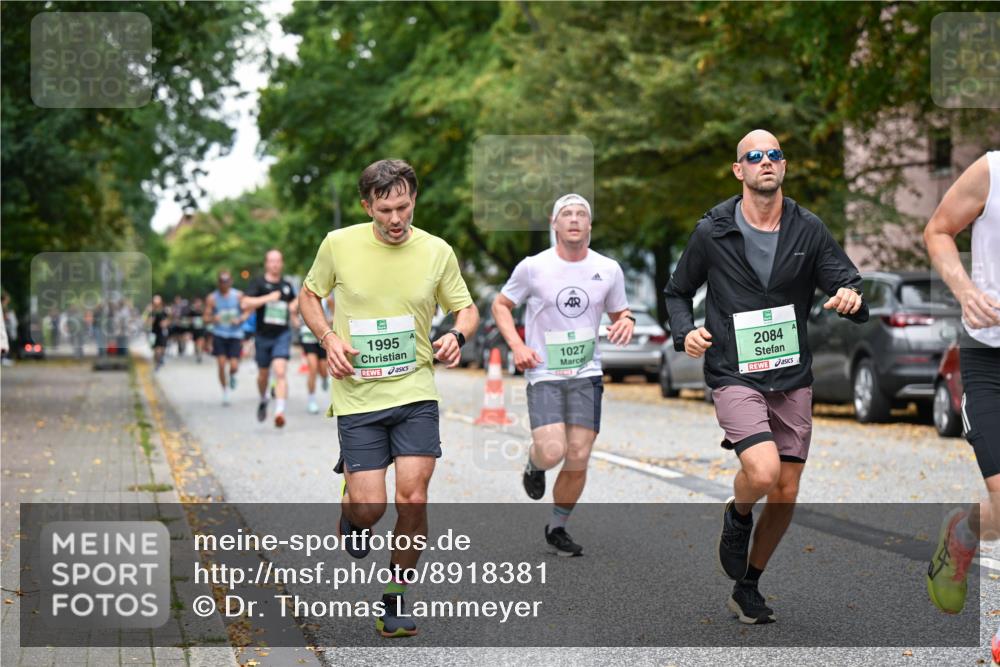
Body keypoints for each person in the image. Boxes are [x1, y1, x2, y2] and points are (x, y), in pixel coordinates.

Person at [664, 129, 869, 625]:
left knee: (786, 489)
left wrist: (851, 298)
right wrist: (685, 333)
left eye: (774, 154)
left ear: (784, 166)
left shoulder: (808, 228)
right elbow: (677, 291)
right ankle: (737, 515)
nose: (765, 162)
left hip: (791, 375)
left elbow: (849, 282)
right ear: (740, 171)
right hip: (735, 371)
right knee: (762, 472)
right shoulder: (713, 231)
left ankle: (748, 585)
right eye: (754, 157)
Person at [299, 158, 478, 638]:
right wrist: (328, 339)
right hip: (358, 396)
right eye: (385, 209)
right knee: (370, 508)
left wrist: (457, 336)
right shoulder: (338, 244)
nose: (396, 219)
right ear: (367, 206)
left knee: (413, 498)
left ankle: (394, 600)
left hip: (415, 390)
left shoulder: (437, 251)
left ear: (414, 199)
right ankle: (351, 509)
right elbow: (309, 296)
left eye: (403, 206)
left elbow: (466, 308)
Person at [492, 193, 634, 557]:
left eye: (581, 214)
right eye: (566, 214)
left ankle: (558, 527)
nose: (574, 219)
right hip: (544, 372)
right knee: (553, 449)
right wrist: (518, 346)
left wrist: (627, 323)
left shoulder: (609, 268)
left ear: (589, 225)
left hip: (587, 372)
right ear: (554, 224)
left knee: (578, 453)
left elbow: (622, 312)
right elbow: (502, 305)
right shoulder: (533, 267)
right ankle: (535, 461)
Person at [923, 151, 1000, 654]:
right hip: (990, 359)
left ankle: (966, 530)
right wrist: (964, 287)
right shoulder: (992, 170)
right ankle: (964, 531)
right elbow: (939, 230)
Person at [241, 250, 298, 428]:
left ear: (281, 264)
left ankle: (279, 412)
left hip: (282, 334)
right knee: (263, 375)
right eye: (271, 261)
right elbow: (245, 303)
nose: (274, 264)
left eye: (278, 261)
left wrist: (292, 309)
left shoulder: (287, 285)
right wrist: (268, 298)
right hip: (262, 335)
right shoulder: (258, 283)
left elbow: (296, 302)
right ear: (266, 263)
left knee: (280, 371)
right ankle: (264, 397)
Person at [205, 271, 244, 405]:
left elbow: (247, 312)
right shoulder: (212, 298)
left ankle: (232, 375)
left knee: (233, 366)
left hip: (235, 334)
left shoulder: (238, 296)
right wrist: (213, 318)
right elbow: (205, 318)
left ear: (231, 282)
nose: (224, 284)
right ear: (218, 283)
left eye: (227, 281)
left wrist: (239, 319)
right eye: (222, 281)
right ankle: (225, 391)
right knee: (221, 364)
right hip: (219, 334)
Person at [300, 294, 334, 414]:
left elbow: (334, 316)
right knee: (312, 368)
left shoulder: (328, 299)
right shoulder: (304, 296)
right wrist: (295, 319)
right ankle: (311, 401)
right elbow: (294, 309)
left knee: (323, 369)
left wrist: (325, 323)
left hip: (322, 337)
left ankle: (324, 378)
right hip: (307, 337)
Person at [145, 295, 170, 371]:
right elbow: (147, 322)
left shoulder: (164, 311)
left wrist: (165, 323)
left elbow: (168, 319)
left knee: (161, 348)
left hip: (161, 332)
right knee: (155, 349)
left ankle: (160, 360)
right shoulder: (151, 312)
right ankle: (157, 362)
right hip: (153, 332)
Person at [187, 296, 207, 363]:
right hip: (194, 329)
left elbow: (207, 318)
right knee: (196, 342)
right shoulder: (192, 311)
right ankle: (198, 352)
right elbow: (188, 320)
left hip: (202, 328)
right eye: (196, 303)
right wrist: (192, 321)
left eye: (199, 302)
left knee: (201, 341)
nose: (198, 304)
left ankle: (200, 354)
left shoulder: (203, 310)